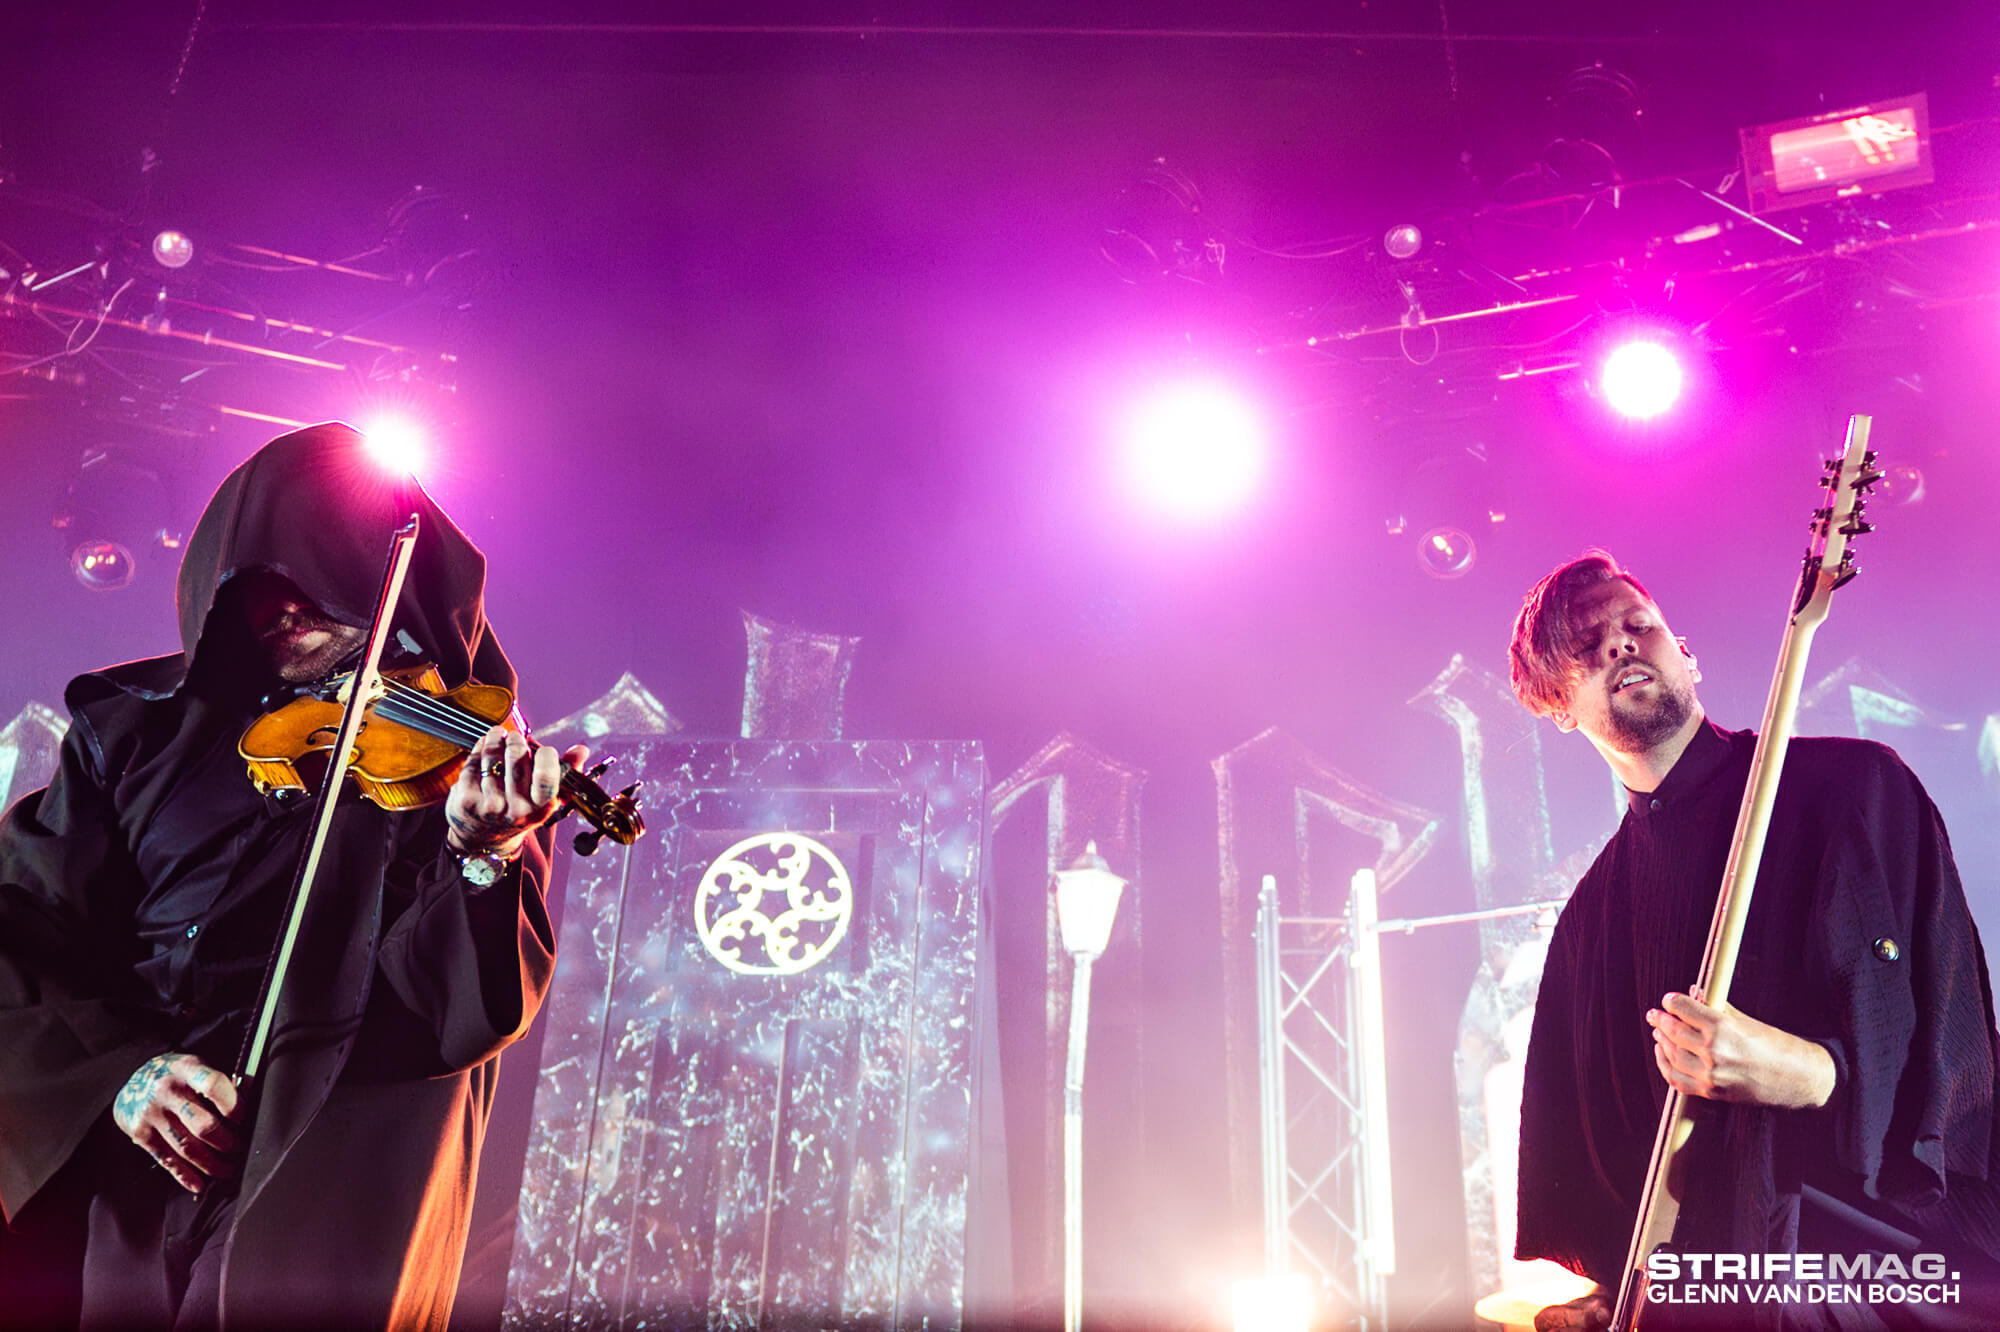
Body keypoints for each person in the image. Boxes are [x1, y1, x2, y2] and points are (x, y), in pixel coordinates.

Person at [0, 422, 584, 1330]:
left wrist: (480, 856)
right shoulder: (135, 736)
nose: (277, 609)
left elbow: (456, 1012)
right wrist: (122, 1076)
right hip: (131, 1175)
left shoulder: (463, 756)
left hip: (328, 1175)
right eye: (252, 592)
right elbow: (21, 932)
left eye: (306, 578)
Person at [1506, 550, 2000, 1331]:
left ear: (1687, 658)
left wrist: (1808, 1074)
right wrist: (1611, 1293)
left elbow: (1962, 1060)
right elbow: (1611, 1185)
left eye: (1640, 625)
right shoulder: (1586, 925)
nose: (1620, 645)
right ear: (1558, 706)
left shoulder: (1856, 793)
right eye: (1584, 645)